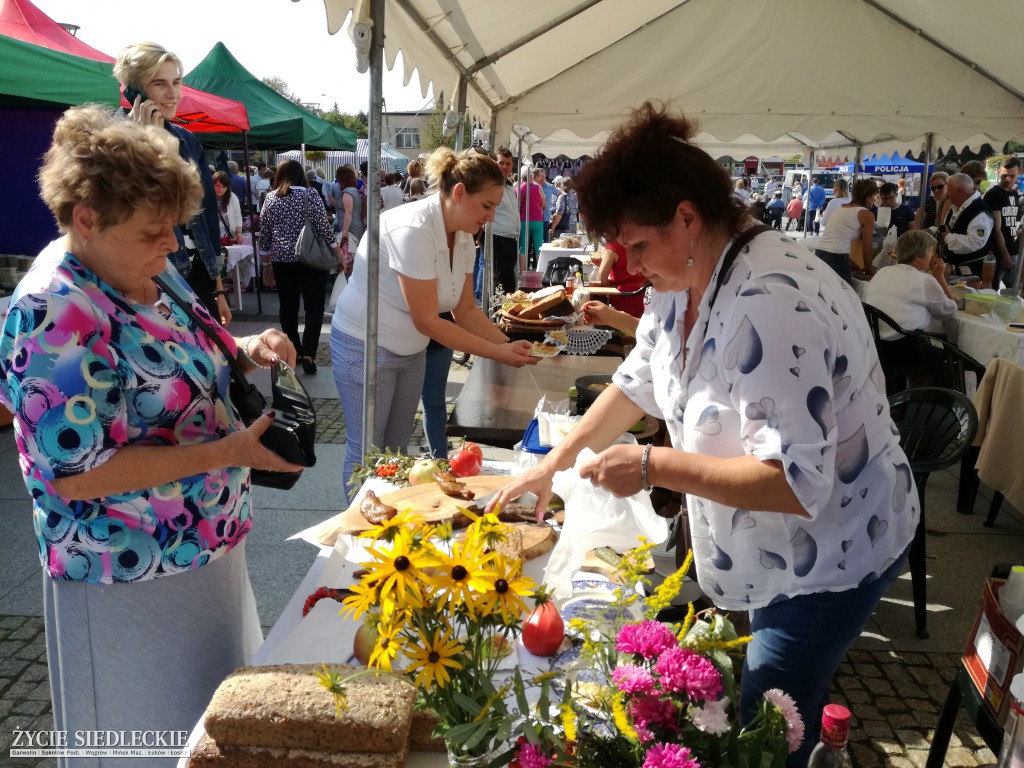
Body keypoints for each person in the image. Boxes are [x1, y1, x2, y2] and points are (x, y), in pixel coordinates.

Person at [490, 103, 915, 768]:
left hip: (828, 555)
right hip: (774, 548)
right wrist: (553, 467)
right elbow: (636, 386)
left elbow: (796, 482)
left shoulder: (771, 299)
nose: (627, 268)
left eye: (636, 245)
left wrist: (654, 465)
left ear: (686, 218)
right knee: (771, 708)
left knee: (767, 722)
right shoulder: (685, 275)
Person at [0, 106, 300, 764]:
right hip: (125, 575)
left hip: (204, 551)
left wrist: (253, 349)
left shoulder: (141, 262)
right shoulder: (53, 311)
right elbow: (78, 475)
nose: (169, 245)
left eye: (173, 229)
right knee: (144, 746)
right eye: (153, 232)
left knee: (207, 736)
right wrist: (229, 452)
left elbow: (197, 352)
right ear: (85, 218)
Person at [332, 146, 538, 494]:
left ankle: (391, 523)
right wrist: (499, 354)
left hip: (410, 349)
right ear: (459, 193)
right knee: (367, 449)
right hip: (364, 344)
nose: (490, 217)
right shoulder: (414, 228)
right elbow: (428, 320)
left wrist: (509, 344)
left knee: (396, 450)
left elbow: (465, 311)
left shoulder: (463, 238)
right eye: (487, 206)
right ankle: (360, 534)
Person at [114, 41, 231, 326]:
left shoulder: (187, 140)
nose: (172, 93)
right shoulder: (114, 141)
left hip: (200, 277)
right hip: (152, 279)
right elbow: (136, 213)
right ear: (134, 90)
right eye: (159, 84)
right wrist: (153, 147)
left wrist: (218, 290)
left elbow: (207, 215)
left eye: (177, 82)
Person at [258, 159, 343, 375]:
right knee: (314, 307)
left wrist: (265, 262)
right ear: (300, 175)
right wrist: (337, 250)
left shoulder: (270, 198)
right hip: (310, 257)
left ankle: (294, 350)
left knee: (288, 307)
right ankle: (309, 353)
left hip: (281, 259)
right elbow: (323, 226)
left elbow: (265, 232)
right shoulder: (309, 194)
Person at [863, 230, 957, 339]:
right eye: (930, 251)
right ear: (918, 256)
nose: (931, 255)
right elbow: (949, 310)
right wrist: (940, 276)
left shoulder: (882, 272)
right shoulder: (925, 280)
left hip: (875, 343)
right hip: (907, 345)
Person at [814, 178, 878, 284]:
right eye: (873, 197)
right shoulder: (867, 215)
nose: (874, 200)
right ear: (867, 197)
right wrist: (870, 270)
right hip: (836, 257)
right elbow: (867, 248)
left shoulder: (841, 208)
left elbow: (835, 241)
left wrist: (852, 264)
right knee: (845, 296)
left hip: (820, 253)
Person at [934, 172, 999, 277]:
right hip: (955, 271)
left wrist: (948, 237)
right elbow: (948, 228)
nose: (947, 195)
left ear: (960, 191)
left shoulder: (980, 213)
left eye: (949, 191)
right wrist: (933, 231)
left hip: (973, 273)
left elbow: (975, 242)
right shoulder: (956, 206)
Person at [983, 156, 1021, 288]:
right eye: (1004, 175)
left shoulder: (1014, 194)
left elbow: (1011, 224)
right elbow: (996, 229)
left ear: (1019, 172)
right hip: (996, 253)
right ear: (999, 173)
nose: (1008, 179)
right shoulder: (994, 194)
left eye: (1012, 175)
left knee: (1014, 291)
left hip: (1011, 249)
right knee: (992, 290)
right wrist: (1005, 256)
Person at [491, 147, 522, 294]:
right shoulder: (491, 186)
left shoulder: (510, 187)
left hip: (510, 240)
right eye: (501, 163)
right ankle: (499, 314)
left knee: (509, 282)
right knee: (503, 283)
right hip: (497, 239)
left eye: (508, 164)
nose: (505, 167)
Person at [593, 240, 647, 318]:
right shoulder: (639, 240)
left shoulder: (613, 247)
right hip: (645, 295)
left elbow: (601, 280)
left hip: (625, 298)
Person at [519, 167, 546, 268]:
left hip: (523, 220)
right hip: (537, 220)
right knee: (538, 247)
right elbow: (544, 204)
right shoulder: (538, 187)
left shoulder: (518, 188)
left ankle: (522, 273)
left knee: (523, 248)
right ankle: (540, 271)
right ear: (531, 176)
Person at [212, 170, 244, 245]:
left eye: (224, 187)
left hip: (228, 238)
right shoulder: (206, 198)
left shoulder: (232, 197)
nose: (220, 189)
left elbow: (237, 216)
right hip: (212, 239)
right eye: (217, 185)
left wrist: (239, 233)